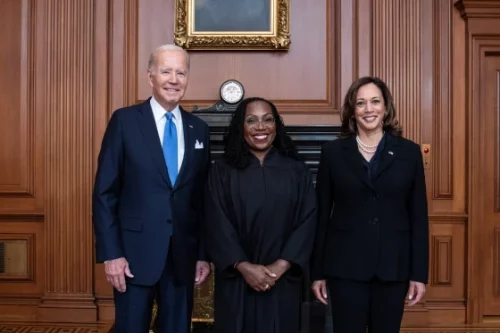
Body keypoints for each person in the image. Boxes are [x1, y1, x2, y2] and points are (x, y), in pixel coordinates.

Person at [92, 44, 211, 333]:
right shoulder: (125, 121)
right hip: (132, 257)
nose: (174, 79)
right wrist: (112, 254)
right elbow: (105, 193)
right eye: (166, 71)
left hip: (182, 258)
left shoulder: (199, 129)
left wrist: (203, 254)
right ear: (150, 77)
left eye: (181, 73)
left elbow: (202, 199)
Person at [311, 76, 429, 333]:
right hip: (345, 267)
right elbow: (321, 216)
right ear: (352, 111)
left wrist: (419, 274)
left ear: (386, 108)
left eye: (375, 101)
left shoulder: (409, 153)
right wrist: (317, 272)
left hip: (393, 266)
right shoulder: (332, 153)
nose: (369, 109)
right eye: (361, 103)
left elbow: (418, 216)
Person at [204, 97, 317, 333]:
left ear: (276, 124)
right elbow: (216, 221)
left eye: (268, 119)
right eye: (251, 120)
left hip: (283, 281)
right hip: (237, 280)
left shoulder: (296, 171)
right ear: (240, 127)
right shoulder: (222, 171)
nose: (260, 127)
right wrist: (244, 266)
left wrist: (281, 266)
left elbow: (308, 221)